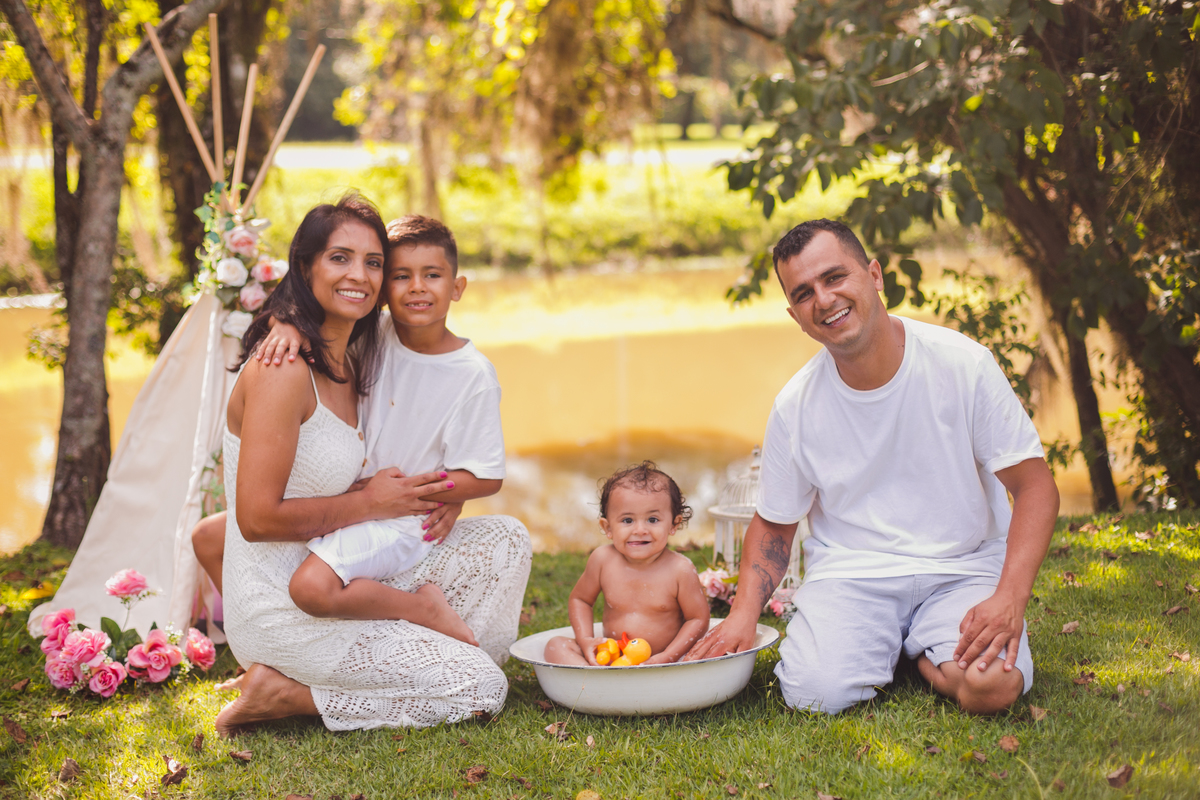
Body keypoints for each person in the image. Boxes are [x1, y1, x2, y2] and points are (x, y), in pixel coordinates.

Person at [686, 219, 1060, 715]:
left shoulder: (963, 365)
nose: (823, 299)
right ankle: (907, 646)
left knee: (992, 687)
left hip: (962, 568)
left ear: (874, 275)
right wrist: (741, 613)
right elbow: (775, 523)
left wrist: (1009, 598)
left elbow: (1035, 488)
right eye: (803, 293)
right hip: (853, 576)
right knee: (814, 694)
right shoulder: (796, 405)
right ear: (795, 314)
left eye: (834, 277)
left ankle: (925, 659)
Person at [214, 195, 530, 736]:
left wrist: (445, 491)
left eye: (373, 262)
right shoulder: (282, 368)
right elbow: (255, 522)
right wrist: (371, 503)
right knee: (483, 690)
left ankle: (425, 660)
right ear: (306, 265)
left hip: (346, 559)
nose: (359, 274)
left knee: (507, 540)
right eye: (340, 258)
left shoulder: (355, 350)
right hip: (289, 603)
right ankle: (289, 692)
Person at [543, 462, 710, 666]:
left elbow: (698, 619)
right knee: (556, 646)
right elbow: (581, 600)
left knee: (708, 649)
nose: (640, 530)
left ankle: (603, 687)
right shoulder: (602, 560)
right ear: (608, 527)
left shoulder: (680, 569)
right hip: (613, 658)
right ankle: (597, 679)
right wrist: (586, 640)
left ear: (673, 524)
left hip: (665, 660)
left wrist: (668, 656)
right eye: (628, 521)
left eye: (653, 519)